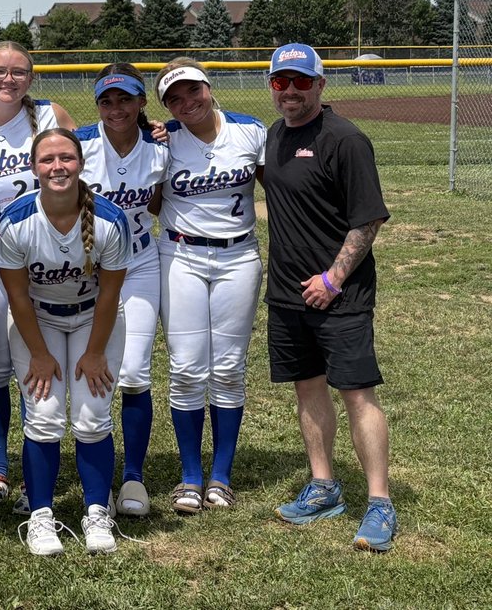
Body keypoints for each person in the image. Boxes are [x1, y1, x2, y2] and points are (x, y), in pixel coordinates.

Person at [263, 44, 396, 552]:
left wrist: (333, 279)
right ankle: (324, 486)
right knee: (308, 388)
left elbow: (368, 219)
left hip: (339, 295)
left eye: (301, 82)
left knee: (358, 394)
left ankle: (380, 502)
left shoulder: (345, 139)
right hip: (288, 295)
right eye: (281, 83)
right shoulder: (275, 136)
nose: (290, 92)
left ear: (321, 84)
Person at [0, 128, 131, 556]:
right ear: (34, 168)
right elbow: (17, 295)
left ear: (81, 163)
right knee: (45, 415)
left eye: (66, 158)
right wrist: (38, 353)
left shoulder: (109, 219)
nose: (58, 167)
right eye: (48, 159)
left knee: (91, 418)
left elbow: (109, 294)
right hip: (39, 321)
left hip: (96, 320)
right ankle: (40, 515)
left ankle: (95, 511)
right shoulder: (17, 219)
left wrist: (94, 353)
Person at [0, 41, 75, 508]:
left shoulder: (49, 116)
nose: (8, 79)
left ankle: (32, 468)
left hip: (39, 259)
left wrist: (152, 130)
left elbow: (92, 155)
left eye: (19, 71)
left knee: (31, 369)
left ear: (31, 77)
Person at [154, 58, 265, 515]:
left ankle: (220, 475)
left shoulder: (250, 130)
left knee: (229, 366)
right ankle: (189, 475)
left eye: (192, 91)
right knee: (185, 367)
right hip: (180, 255)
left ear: (208, 86)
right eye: (174, 98)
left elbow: (280, 187)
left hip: (239, 255)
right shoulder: (163, 140)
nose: (186, 103)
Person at [74, 63, 168, 518]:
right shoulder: (80, 145)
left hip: (139, 264)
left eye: (126, 99)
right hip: (85, 271)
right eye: (107, 100)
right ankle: (92, 477)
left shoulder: (160, 147)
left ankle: (132, 475)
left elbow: (155, 201)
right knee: (89, 376)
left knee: (133, 374)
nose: (116, 108)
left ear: (141, 102)